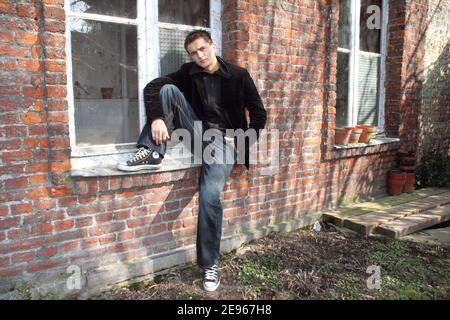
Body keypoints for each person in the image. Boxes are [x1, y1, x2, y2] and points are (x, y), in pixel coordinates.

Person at [117, 30, 266, 292]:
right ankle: (151, 151)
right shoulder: (189, 72)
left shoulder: (238, 75)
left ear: (212, 45)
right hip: (196, 134)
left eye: (202, 49)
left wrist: (243, 140)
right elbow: (152, 87)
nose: (199, 56)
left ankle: (210, 265)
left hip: (224, 144)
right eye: (193, 53)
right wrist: (156, 118)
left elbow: (259, 112)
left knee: (209, 196)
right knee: (168, 90)